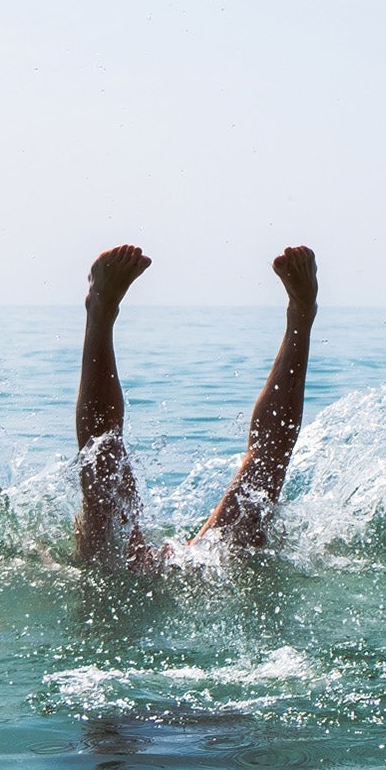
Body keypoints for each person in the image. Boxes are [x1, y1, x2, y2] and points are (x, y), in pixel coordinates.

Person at [73, 242, 318, 571]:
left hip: (183, 576)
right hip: (156, 580)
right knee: (104, 483)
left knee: (258, 492)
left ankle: (301, 314)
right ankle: (100, 311)